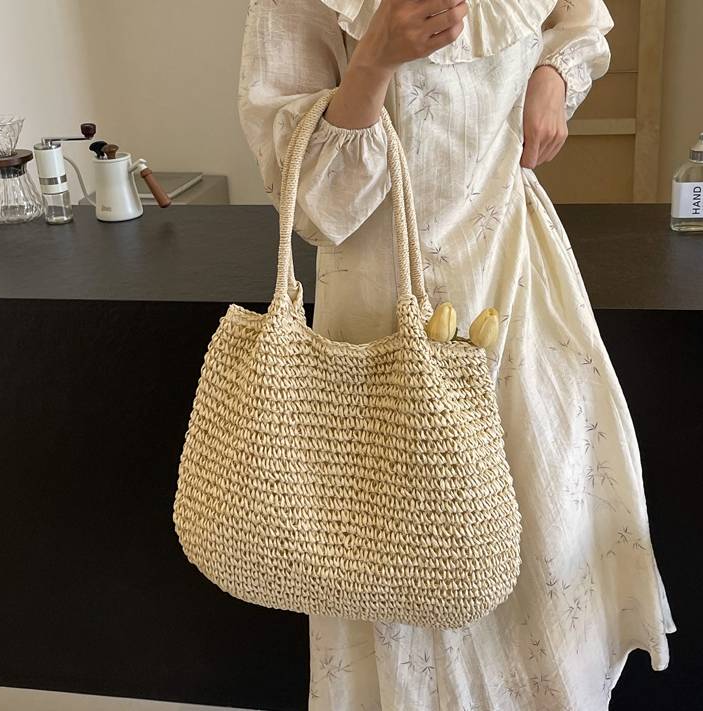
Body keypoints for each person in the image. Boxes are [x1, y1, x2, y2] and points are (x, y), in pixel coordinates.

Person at [237, 1, 676, 708]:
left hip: (517, 293)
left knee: (544, 555)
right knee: (405, 571)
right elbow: (317, 205)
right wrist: (374, 59)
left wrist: (553, 76)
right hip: (380, 314)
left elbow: (581, 20)